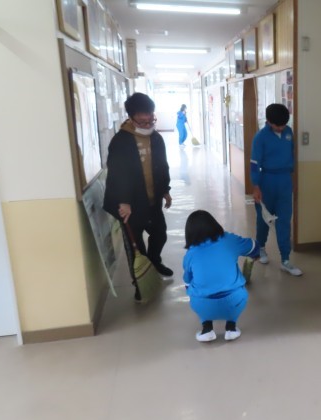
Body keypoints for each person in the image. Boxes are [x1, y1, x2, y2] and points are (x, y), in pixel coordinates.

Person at [103, 92, 173, 303]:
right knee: (135, 247)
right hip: (130, 204)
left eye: (151, 119)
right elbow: (117, 174)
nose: (148, 124)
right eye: (142, 121)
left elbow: (162, 166)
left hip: (152, 200)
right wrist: (123, 201)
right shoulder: (121, 141)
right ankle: (139, 283)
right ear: (131, 118)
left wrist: (165, 190)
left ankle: (154, 262)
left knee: (159, 234)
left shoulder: (156, 138)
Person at [183, 210, 260, 342]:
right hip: (234, 301)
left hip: (202, 305)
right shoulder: (229, 240)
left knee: (194, 292)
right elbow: (253, 246)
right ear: (214, 224)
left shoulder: (190, 254)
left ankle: (206, 328)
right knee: (240, 293)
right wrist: (254, 254)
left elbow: (187, 283)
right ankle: (231, 328)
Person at [249, 103, 302, 276]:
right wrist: (256, 186)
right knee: (264, 219)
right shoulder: (260, 137)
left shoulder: (288, 132)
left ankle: (285, 260)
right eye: (278, 125)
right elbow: (254, 164)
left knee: (284, 220)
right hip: (266, 181)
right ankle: (261, 247)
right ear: (269, 122)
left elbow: (292, 156)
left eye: (283, 125)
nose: (281, 128)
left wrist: (293, 180)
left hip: (284, 181)